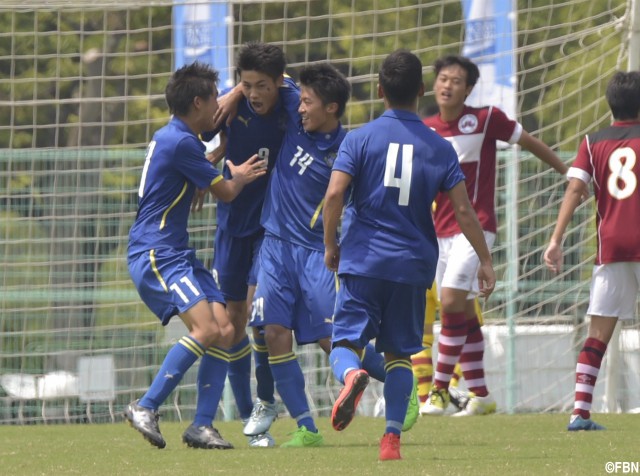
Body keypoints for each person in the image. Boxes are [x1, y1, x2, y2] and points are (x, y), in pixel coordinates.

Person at [324, 49, 496, 461]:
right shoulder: (439, 148)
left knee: (344, 341)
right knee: (400, 354)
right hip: (412, 265)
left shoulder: (359, 138)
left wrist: (331, 245)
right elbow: (465, 212)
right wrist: (485, 260)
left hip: (364, 259)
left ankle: (352, 375)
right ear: (421, 91)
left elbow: (334, 194)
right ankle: (391, 442)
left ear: (379, 89)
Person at [247, 62, 400, 448]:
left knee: (336, 340)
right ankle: (305, 428)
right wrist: (235, 93)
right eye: (300, 101)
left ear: (331, 108)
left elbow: (365, 204)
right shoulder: (295, 108)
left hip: (319, 255)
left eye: (308, 103)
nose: (300, 108)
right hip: (275, 246)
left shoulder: (351, 149)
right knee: (273, 332)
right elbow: (263, 74)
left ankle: (402, 380)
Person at [125, 61, 267, 449]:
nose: (217, 113)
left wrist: (219, 152)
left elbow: (196, 168)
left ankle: (201, 425)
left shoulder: (175, 137)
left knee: (223, 330)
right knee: (205, 330)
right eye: (213, 106)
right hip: (157, 253)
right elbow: (228, 192)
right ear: (199, 102)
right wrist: (242, 174)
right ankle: (146, 406)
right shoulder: (182, 141)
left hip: (176, 253)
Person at [420, 54, 568, 417]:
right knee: (463, 311)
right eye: (442, 79)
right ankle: (482, 396)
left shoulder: (486, 120)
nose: (447, 86)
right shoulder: (424, 129)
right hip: (439, 234)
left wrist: (569, 172)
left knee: (452, 299)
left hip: (477, 228)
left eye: (456, 80)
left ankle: (439, 391)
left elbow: (529, 142)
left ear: (468, 88)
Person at [202, 41, 301, 447]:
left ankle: (266, 404)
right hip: (231, 223)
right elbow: (198, 131)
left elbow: (299, 89)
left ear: (278, 82)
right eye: (248, 85)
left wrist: (241, 89)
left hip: (271, 227)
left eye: (263, 85)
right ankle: (248, 415)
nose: (255, 93)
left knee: (262, 318)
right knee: (232, 325)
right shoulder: (230, 103)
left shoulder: (292, 102)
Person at [544, 70, 640, 431]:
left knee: (598, 331)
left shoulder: (592, 141)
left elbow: (573, 190)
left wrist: (555, 239)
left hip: (611, 247)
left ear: (609, 103)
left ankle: (579, 412)